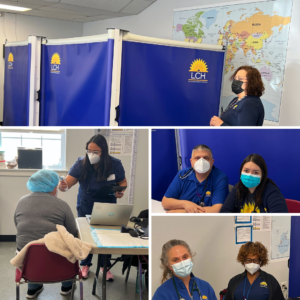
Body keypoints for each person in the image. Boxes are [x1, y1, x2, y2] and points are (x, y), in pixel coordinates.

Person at [58, 134, 127, 280]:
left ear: (104, 151)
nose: (91, 154)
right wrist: (63, 185)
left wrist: (120, 191)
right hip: (86, 205)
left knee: (106, 236)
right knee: (86, 237)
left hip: (107, 205)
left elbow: (123, 183)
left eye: (95, 152)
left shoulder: (115, 164)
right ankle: (85, 265)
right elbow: (67, 185)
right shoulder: (81, 164)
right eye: (89, 151)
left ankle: (104, 266)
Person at [14, 170, 77, 299]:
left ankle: (33, 287)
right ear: (54, 188)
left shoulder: (21, 201)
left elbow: (18, 225)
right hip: (59, 262)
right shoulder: (62, 205)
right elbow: (72, 233)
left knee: (30, 247)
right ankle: (66, 287)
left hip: (28, 260)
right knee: (67, 247)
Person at [162, 144, 229, 213]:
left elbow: (216, 210)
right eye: (197, 158)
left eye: (206, 158)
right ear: (191, 162)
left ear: (212, 162)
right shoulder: (182, 175)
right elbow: (165, 202)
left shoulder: (221, 178)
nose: (202, 161)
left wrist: (182, 212)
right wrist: (186, 204)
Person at [220, 154, 288, 213]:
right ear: (241, 172)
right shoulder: (237, 188)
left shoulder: (272, 192)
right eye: (246, 171)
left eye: (255, 172)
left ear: (262, 175)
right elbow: (224, 213)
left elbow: (280, 220)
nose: (249, 175)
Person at [152, 239, 217, 300]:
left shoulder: (205, 287)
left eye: (185, 257)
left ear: (191, 257)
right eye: (175, 260)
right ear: (169, 265)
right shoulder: (162, 294)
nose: (182, 263)